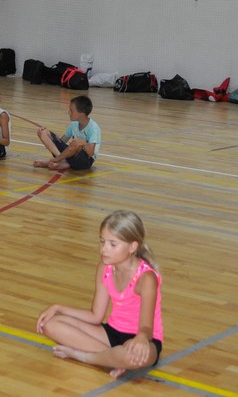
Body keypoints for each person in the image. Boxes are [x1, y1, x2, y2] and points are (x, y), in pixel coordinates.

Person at [36, 210, 163, 378]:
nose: (104, 249)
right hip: (110, 334)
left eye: (112, 244)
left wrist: (140, 339)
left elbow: (146, 328)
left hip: (144, 339)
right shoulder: (105, 268)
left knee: (129, 356)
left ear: (132, 247)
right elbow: (95, 316)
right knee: (50, 324)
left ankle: (83, 356)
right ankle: (112, 358)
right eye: (102, 241)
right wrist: (58, 308)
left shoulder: (146, 278)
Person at [33, 95, 100, 171]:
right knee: (42, 132)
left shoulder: (93, 127)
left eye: (71, 111)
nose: (68, 112)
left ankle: (54, 161)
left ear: (81, 114)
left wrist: (83, 143)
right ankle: (63, 162)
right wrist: (50, 136)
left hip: (85, 161)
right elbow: (62, 141)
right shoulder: (74, 124)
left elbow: (91, 153)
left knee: (77, 143)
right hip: (71, 155)